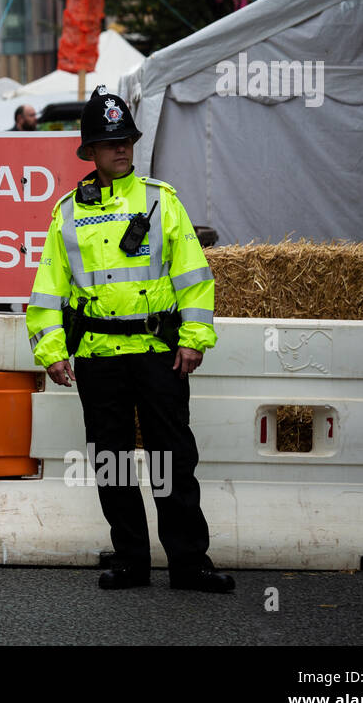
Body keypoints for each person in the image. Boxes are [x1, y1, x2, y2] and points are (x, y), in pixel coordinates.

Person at [26, 85, 232, 594]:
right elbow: (49, 286)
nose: (120, 148)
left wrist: (195, 337)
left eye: (126, 140)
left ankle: (188, 564)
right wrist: (51, 350)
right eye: (109, 142)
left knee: (172, 458)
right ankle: (130, 561)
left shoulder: (163, 202)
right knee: (113, 460)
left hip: (158, 352)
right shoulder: (67, 211)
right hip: (97, 356)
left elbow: (193, 274)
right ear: (89, 151)